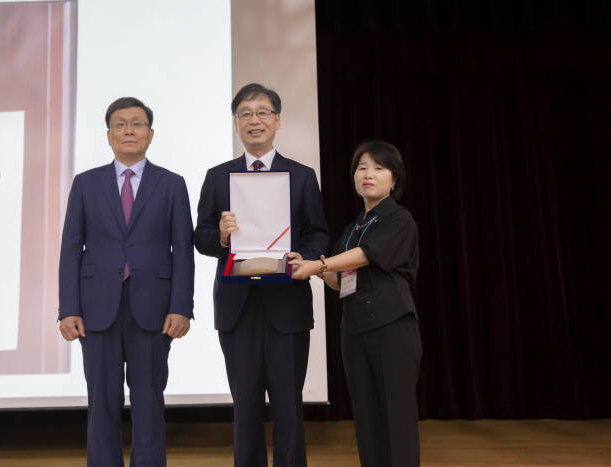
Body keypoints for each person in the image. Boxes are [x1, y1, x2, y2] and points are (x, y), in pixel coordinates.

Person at [194, 83, 329, 466]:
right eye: (246, 114)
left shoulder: (302, 176)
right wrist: (220, 236)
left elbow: (319, 231)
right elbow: (200, 237)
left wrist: (306, 255)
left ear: (277, 120)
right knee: (245, 408)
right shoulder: (218, 177)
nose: (255, 120)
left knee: (289, 407)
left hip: (287, 305)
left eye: (262, 112)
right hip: (238, 309)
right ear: (236, 123)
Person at [58, 97, 194, 467]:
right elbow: (71, 248)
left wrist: (181, 307)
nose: (129, 130)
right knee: (101, 400)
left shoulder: (172, 184)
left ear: (150, 134)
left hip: (153, 307)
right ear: (109, 135)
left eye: (137, 123)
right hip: (97, 307)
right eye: (120, 124)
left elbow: (182, 250)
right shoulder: (86, 184)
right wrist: (68, 308)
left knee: (149, 398)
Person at [291, 140, 421, 467]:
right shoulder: (353, 228)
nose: (368, 174)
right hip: (356, 330)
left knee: (397, 420)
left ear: (395, 180)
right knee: (367, 419)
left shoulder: (398, 219)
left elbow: (365, 257)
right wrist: (308, 265)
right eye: (362, 168)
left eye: (379, 168)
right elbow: (339, 280)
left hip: (392, 329)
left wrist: (319, 265)